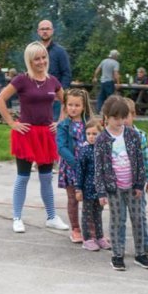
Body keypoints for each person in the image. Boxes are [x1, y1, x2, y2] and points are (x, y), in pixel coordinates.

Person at [0, 41, 69, 233]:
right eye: (37, 58)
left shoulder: (52, 80)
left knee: (46, 178)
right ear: (29, 60)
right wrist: (12, 123)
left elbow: (67, 101)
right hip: (26, 133)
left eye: (44, 57)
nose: (41, 61)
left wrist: (59, 122)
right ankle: (17, 217)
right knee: (23, 177)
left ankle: (51, 216)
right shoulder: (21, 80)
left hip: (46, 134)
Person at [94, 95, 148, 271]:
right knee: (118, 221)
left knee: (138, 219)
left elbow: (139, 162)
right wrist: (101, 192)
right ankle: (117, 255)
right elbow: (99, 169)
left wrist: (139, 185)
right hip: (114, 189)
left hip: (133, 187)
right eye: (115, 118)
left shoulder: (133, 135)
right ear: (106, 117)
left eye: (123, 118)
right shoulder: (102, 140)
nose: (120, 122)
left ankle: (141, 253)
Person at [121, 97, 148, 258]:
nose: (122, 121)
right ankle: (119, 244)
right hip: (118, 185)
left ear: (133, 115)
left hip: (137, 185)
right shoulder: (111, 136)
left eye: (126, 116)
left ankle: (144, 243)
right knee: (119, 217)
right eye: (118, 117)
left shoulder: (141, 136)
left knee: (139, 215)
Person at [56, 88, 93, 243]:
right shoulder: (63, 125)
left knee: (90, 199)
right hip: (71, 168)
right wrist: (76, 163)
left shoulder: (89, 125)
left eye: (77, 105)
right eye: (70, 104)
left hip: (89, 168)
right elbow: (61, 147)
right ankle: (76, 229)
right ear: (65, 106)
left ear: (83, 106)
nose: (73, 108)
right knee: (73, 198)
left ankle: (91, 229)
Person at [75, 118, 111, 251]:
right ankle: (88, 238)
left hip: (100, 190)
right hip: (87, 189)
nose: (91, 137)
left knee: (98, 213)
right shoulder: (84, 151)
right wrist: (78, 188)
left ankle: (99, 236)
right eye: (88, 133)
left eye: (94, 134)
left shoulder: (104, 150)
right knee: (87, 214)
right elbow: (80, 171)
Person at [37, 20, 72, 121]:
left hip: (54, 98)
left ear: (52, 31)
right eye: (42, 29)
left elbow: (67, 74)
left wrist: (60, 93)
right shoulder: (34, 51)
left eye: (47, 29)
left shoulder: (60, 51)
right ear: (38, 31)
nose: (45, 31)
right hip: (36, 96)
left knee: (53, 128)